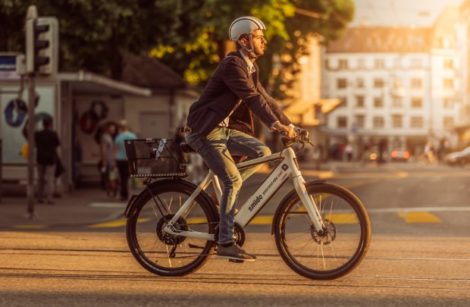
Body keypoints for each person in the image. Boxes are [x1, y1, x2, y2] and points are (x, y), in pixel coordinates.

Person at [185, 16, 296, 262]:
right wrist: (274, 124)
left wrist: (289, 123)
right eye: (258, 37)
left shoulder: (251, 67)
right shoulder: (232, 65)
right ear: (244, 40)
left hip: (222, 130)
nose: (264, 41)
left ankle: (223, 191)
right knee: (232, 180)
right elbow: (251, 99)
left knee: (263, 152)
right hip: (204, 130)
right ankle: (225, 242)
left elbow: (266, 99)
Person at [34, 117, 60, 205]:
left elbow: (35, 143)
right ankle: (49, 198)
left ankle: (40, 197)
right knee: (49, 179)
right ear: (50, 124)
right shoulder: (53, 134)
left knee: (40, 179)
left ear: (43, 124)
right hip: (50, 159)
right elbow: (57, 144)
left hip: (40, 158)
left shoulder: (38, 134)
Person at [114, 120, 137, 201]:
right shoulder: (132, 136)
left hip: (119, 159)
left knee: (122, 177)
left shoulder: (118, 137)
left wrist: (114, 161)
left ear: (120, 127)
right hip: (129, 159)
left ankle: (123, 194)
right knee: (128, 177)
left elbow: (116, 149)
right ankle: (128, 194)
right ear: (127, 127)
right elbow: (134, 148)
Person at [99, 123, 116, 193]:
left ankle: (112, 188)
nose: (113, 131)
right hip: (108, 159)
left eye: (114, 129)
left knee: (112, 174)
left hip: (111, 159)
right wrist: (104, 160)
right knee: (110, 175)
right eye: (112, 129)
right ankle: (111, 188)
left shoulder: (109, 137)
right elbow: (103, 149)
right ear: (108, 130)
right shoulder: (105, 137)